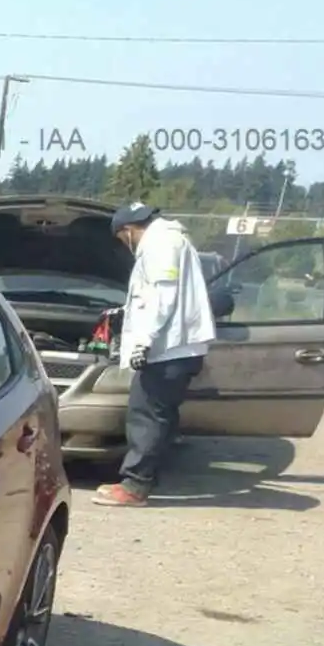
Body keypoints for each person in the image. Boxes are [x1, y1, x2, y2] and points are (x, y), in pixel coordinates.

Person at [94, 202, 217, 506]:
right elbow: (154, 296)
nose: (124, 245)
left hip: (168, 349)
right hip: (176, 347)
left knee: (145, 414)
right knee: (160, 415)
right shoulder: (170, 240)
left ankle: (135, 487)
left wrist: (142, 342)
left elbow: (163, 296)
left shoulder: (160, 244)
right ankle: (146, 478)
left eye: (122, 239)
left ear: (128, 230)